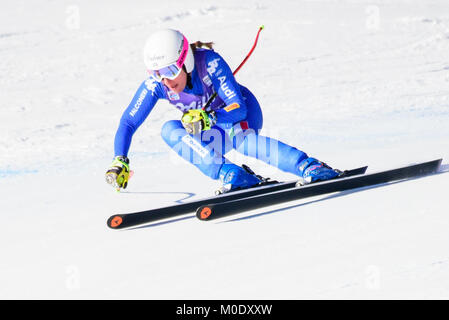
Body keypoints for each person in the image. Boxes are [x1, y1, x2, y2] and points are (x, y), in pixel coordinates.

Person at [105, 28, 339, 193]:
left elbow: (238, 106)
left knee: (243, 142)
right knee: (169, 129)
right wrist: (120, 160)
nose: (163, 80)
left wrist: (211, 117)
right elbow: (128, 122)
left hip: (240, 117)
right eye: (156, 73)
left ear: (184, 61)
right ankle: (232, 174)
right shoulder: (158, 84)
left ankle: (310, 166)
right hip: (209, 130)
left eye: (168, 71)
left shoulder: (210, 63)